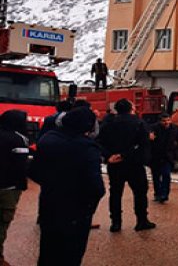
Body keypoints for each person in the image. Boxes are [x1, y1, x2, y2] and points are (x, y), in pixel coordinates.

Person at [29, 107, 105, 266]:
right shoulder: (87, 148)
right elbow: (96, 187)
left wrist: (52, 184)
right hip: (75, 209)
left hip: (49, 203)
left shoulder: (48, 139)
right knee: (71, 254)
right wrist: (88, 206)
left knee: (48, 251)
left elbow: (33, 171)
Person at [96, 99, 155, 232]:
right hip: (134, 164)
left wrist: (108, 156)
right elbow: (143, 144)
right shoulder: (139, 122)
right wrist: (126, 155)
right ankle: (141, 220)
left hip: (114, 163)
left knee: (115, 193)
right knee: (140, 192)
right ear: (131, 108)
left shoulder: (108, 123)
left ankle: (115, 222)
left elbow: (99, 142)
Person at [0, 110, 28, 266]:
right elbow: (20, 166)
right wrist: (22, 184)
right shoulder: (18, 139)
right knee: (2, 223)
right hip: (8, 188)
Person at [148, 113, 178, 203]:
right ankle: (157, 194)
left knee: (166, 175)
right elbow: (148, 139)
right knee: (156, 176)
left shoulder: (175, 128)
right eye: (164, 121)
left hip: (168, 156)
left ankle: (164, 194)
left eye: (168, 120)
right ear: (159, 121)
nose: (166, 123)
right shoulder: (153, 128)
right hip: (155, 156)